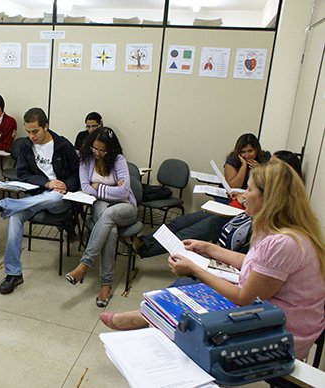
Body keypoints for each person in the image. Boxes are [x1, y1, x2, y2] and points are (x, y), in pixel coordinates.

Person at [100, 160, 325, 359]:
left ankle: (147, 322)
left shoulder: (283, 243)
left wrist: (197, 269)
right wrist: (207, 248)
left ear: (269, 198)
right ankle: (148, 318)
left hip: (283, 332)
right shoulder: (277, 231)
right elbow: (250, 263)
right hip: (268, 314)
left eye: (249, 189)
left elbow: (244, 298)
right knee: (186, 287)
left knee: (192, 300)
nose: (243, 195)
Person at [0, 108, 79, 295]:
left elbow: (77, 174)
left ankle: (2, 204)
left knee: (55, 196)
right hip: (34, 196)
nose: (31, 136)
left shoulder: (64, 145)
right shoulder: (25, 146)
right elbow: (23, 174)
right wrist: (47, 183)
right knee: (15, 217)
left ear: (45, 127)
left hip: (59, 199)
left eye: (35, 131)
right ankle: (13, 274)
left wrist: (64, 185)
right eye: (28, 132)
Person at [134, 133, 272, 258]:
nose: (247, 155)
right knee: (179, 222)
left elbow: (264, 192)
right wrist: (243, 166)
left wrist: (258, 170)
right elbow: (233, 185)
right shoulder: (234, 160)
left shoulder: (265, 164)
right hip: (223, 205)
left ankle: (143, 250)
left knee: (187, 234)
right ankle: (144, 241)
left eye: (250, 151)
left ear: (257, 150)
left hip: (235, 215)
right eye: (243, 152)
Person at [65, 128, 137, 307]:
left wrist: (99, 187)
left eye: (102, 151)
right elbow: (85, 188)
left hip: (126, 207)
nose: (97, 153)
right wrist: (112, 190)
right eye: (94, 148)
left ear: (110, 150)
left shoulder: (119, 160)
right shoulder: (86, 159)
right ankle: (106, 284)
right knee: (110, 230)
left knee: (110, 214)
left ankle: (84, 265)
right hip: (100, 206)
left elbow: (124, 192)